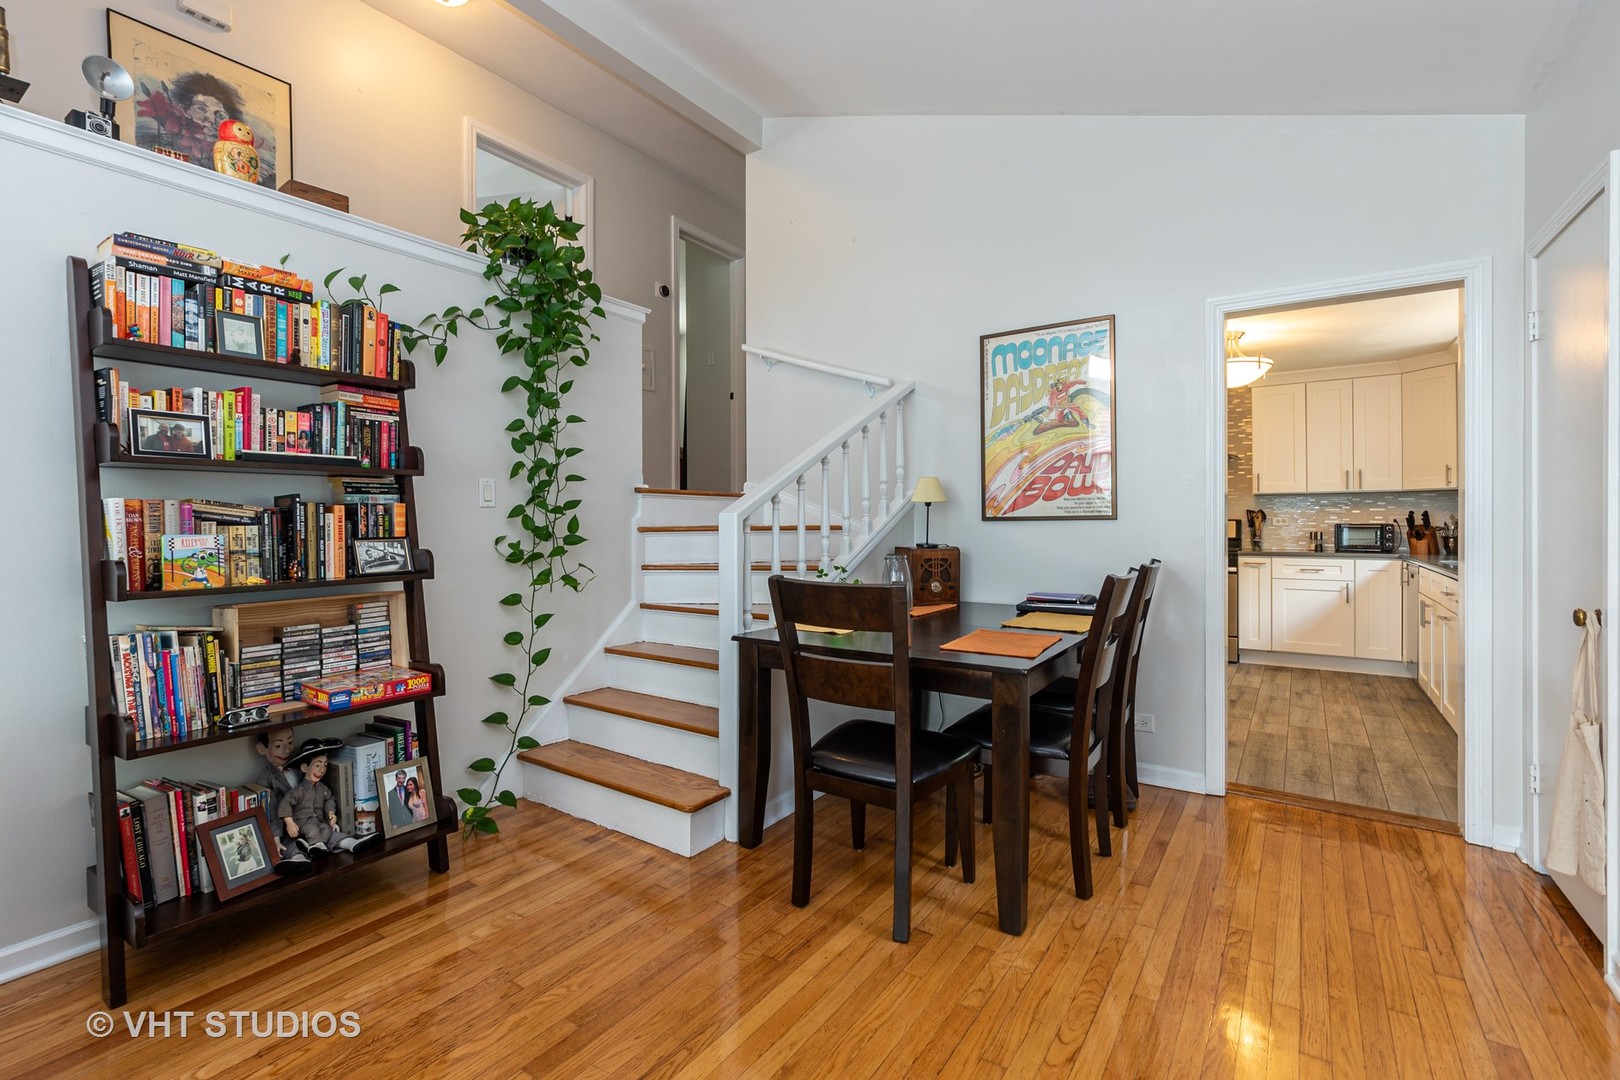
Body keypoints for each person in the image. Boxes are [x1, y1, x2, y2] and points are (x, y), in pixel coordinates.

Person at [279, 739, 374, 855]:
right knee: (311, 829)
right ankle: (316, 846)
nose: (322, 770)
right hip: (303, 824)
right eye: (317, 765)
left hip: (320, 822)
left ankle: (322, 846)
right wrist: (289, 822)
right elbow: (286, 803)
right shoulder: (299, 790)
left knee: (327, 829)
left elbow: (329, 799)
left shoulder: (322, 788)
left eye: (325, 765)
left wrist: (330, 812)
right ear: (304, 768)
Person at [253, 727, 309, 871]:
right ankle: (298, 858)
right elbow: (272, 810)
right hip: (285, 826)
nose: (287, 750)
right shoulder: (265, 779)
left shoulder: (299, 767)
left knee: (327, 832)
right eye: (278, 746)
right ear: (261, 749)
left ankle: (347, 842)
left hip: (308, 819)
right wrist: (275, 839)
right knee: (289, 843)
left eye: (290, 742)